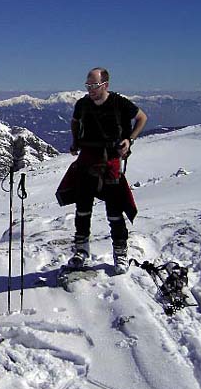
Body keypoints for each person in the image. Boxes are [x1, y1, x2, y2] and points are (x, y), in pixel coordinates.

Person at [57, 67, 147, 274]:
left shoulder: (120, 103)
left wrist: (129, 139)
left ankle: (120, 252)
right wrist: (75, 142)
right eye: (88, 85)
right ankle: (81, 251)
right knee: (83, 208)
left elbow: (142, 118)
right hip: (88, 157)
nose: (90, 89)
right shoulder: (82, 104)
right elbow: (75, 122)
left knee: (115, 210)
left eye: (94, 85)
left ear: (105, 85)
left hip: (110, 159)